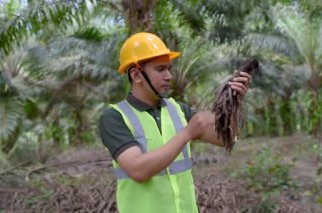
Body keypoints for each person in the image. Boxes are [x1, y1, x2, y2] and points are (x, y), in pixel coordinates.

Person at [99, 32, 251, 213]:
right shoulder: (114, 118)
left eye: (168, 68)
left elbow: (227, 138)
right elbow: (138, 170)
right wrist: (187, 133)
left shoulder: (178, 110)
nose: (169, 76)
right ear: (136, 75)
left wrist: (233, 102)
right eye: (160, 69)